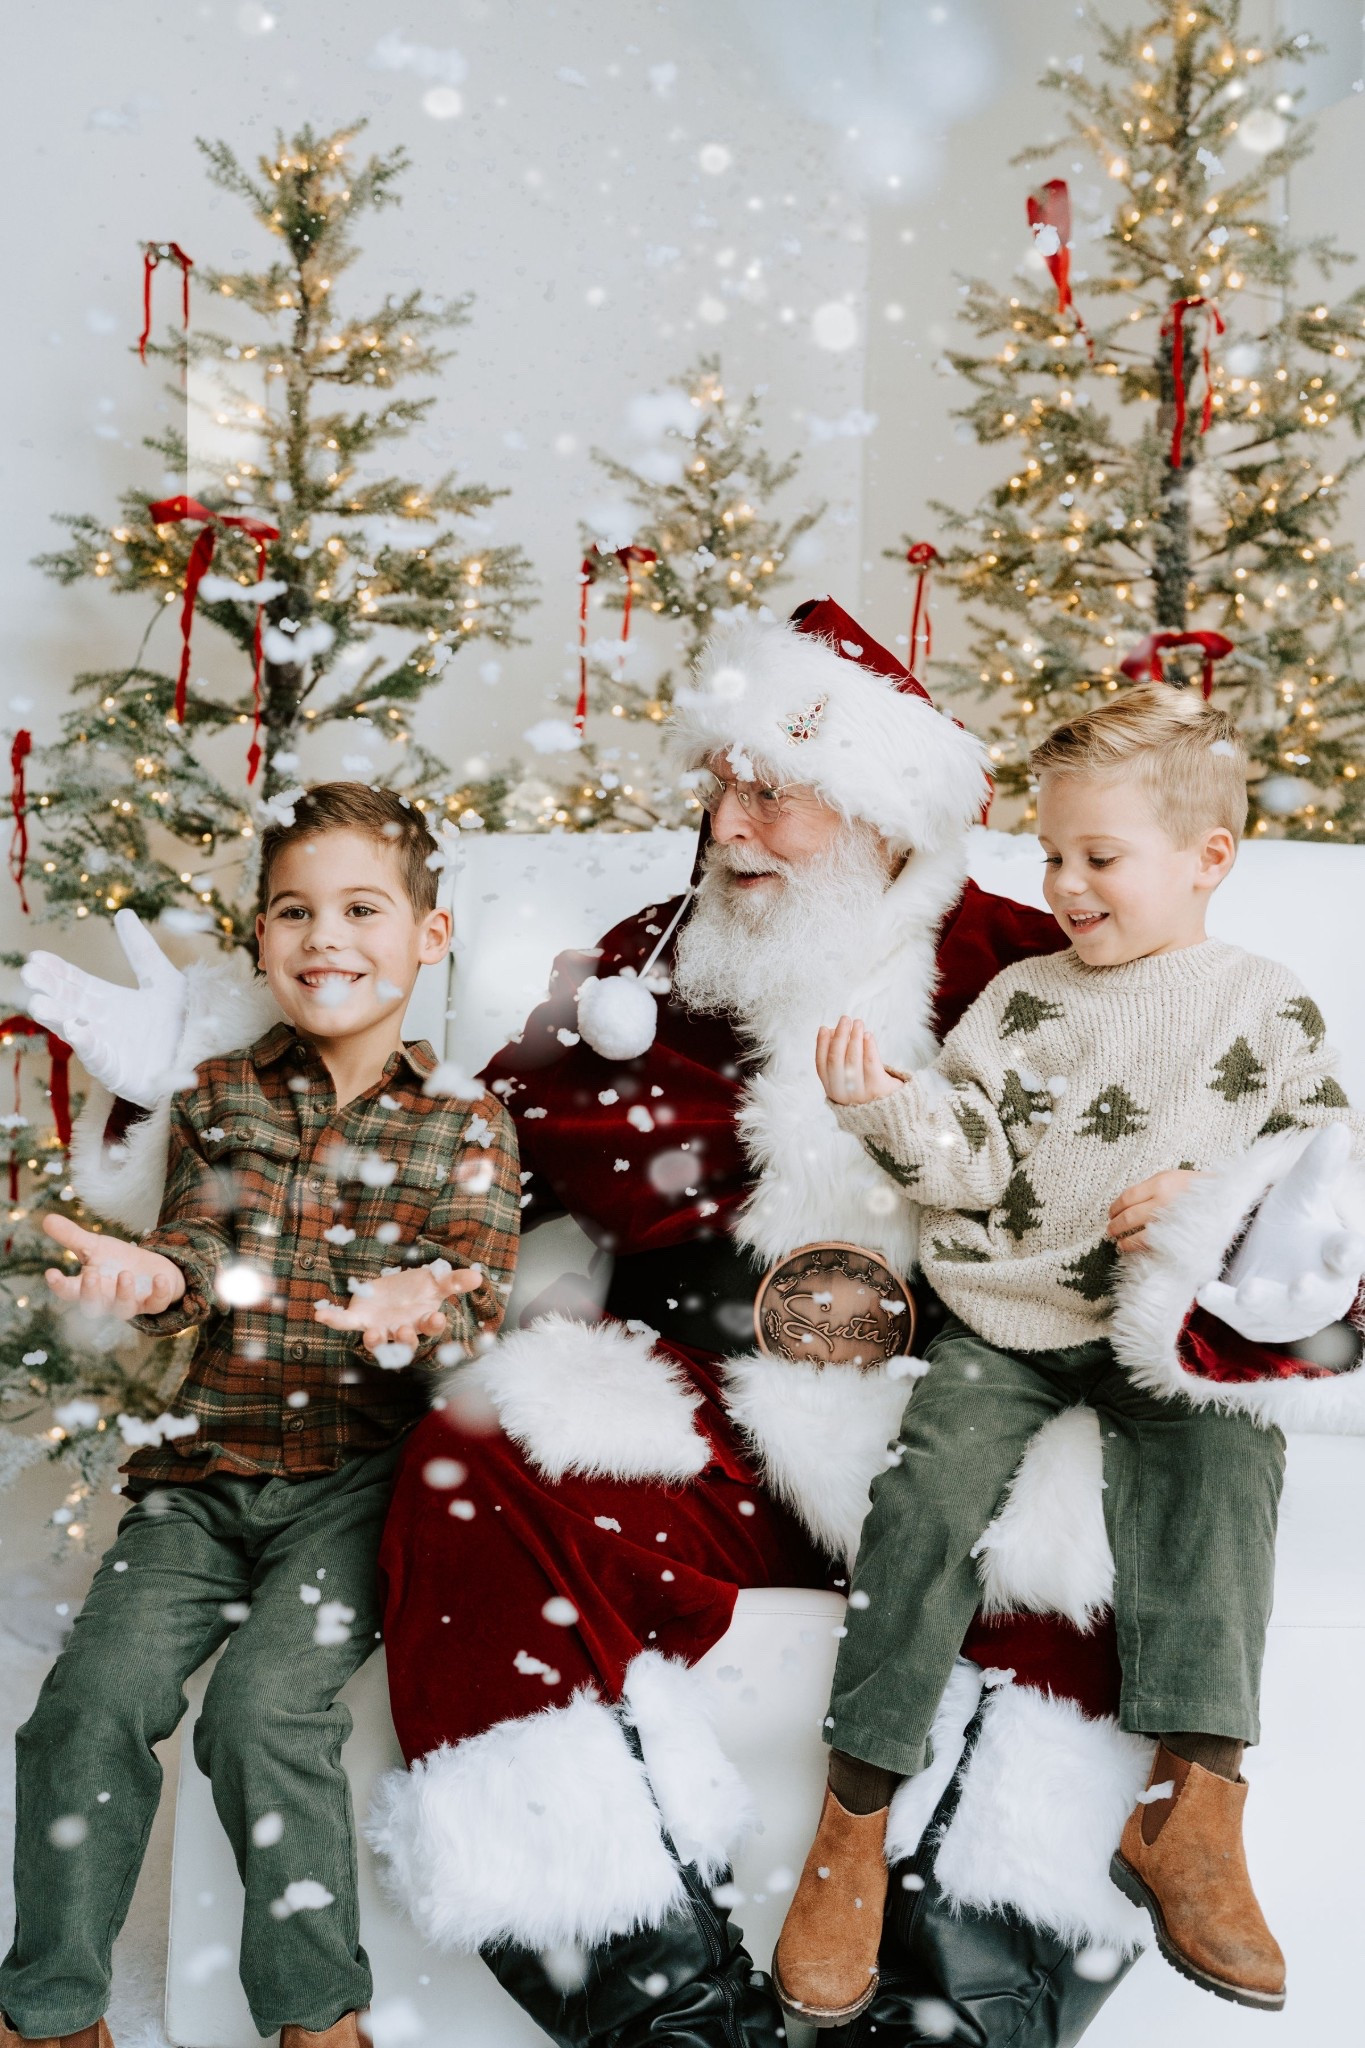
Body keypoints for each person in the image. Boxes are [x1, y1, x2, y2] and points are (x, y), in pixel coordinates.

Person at [26, 607, 1365, 2048]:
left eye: (771, 792)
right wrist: (197, 1082)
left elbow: (1296, 1209)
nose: (728, 827)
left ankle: (971, 2001)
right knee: (473, 1467)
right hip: (705, 1426)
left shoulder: (1052, 967)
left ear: (881, 810)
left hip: (974, 1401)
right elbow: (433, 1141)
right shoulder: (636, 975)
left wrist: (1220, 1231)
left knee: (1108, 1508)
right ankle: (651, 1995)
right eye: (714, 790)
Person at [774, 686, 1365, 2025]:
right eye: (1051, 854)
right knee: (926, 1493)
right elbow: (967, 1154)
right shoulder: (1023, 998)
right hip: (1014, 1312)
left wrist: (1210, 1203)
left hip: (1169, 1316)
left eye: (1101, 857)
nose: (1066, 883)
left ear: (1208, 857)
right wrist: (886, 1111)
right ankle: (855, 1811)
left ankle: (1192, 1806)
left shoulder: (1267, 1007)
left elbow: (1325, 1184)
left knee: (1227, 1464)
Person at [0, 785, 521, 2048]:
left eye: (359, 907)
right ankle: (50, 2008)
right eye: (294, 909)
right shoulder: (224, 1092)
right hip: (202, 1480)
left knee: (263, 1714)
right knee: (85, 1706)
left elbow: (475, 1318)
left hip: (355, 1487)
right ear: (259, 938)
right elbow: (191, 1253)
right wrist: (150, 1278)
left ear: (428, 937)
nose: (324, 935)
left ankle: (314, 2010)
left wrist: (419, 1314)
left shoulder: (468, 1124)